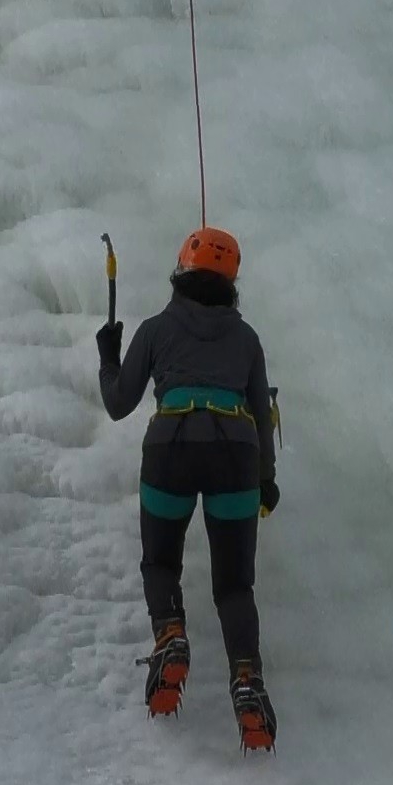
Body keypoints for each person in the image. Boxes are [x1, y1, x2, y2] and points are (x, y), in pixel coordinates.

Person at [98, 226, 279, 751]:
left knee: (160, 563)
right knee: (234, 586)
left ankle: (171, 635)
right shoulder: (246, 340)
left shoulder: (156, 330)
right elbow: (263, 421)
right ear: (232, 281)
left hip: (171, 447)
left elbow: (118, 402)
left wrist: (109, 356)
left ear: (181, 270)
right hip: (236, 455)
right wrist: (265, 479)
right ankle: (247, 680)